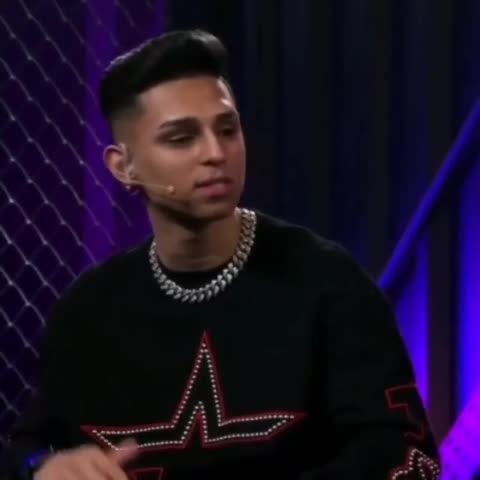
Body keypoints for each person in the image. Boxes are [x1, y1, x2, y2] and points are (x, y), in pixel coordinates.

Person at [1, 29, 441, 480]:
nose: (215, 153)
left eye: (227, 129)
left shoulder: (326, 283)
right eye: (181, 138)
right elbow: (28, 445)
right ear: (124, 166)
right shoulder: (88, 311)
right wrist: (43, 466)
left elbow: (405, 453)